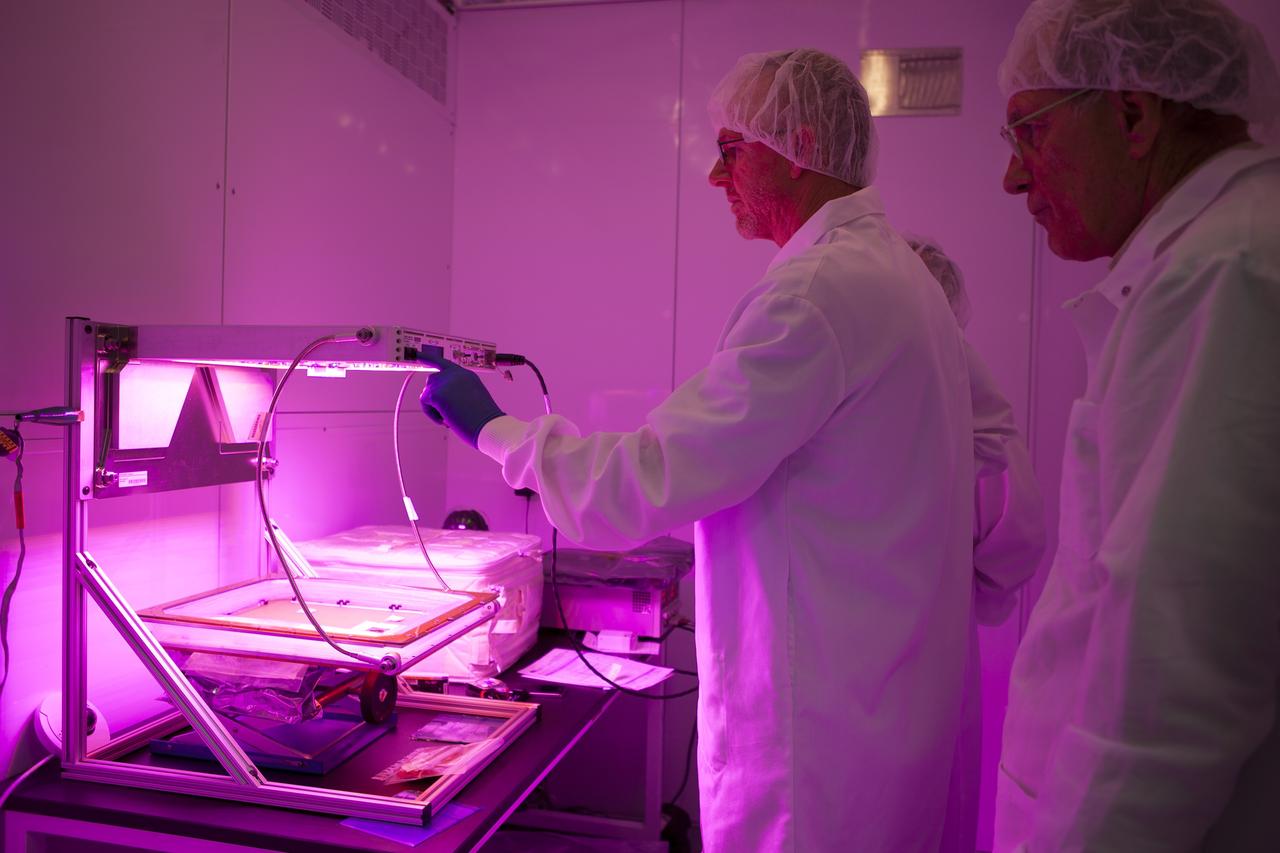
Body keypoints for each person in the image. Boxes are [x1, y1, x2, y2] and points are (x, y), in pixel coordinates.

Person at [422, 49, 976, 851]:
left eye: (730, 150)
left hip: (819, 753)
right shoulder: (900, 278)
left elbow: (643, 481)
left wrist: (493, 429)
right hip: (877, 718)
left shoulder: (817, 292)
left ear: (798, 147)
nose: (717, 177)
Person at [992, 1, 1280, 850]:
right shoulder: (1212, 255)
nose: (1013, 178)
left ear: (1132, 114)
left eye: (1030, 133)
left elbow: (1173, 673)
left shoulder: (1224, 271)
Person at [906, 236, 1046, 853]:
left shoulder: (966, 395)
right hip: (860, 659)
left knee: (924, 813)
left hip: (931, 647)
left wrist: (957, 587)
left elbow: (1017, 534)